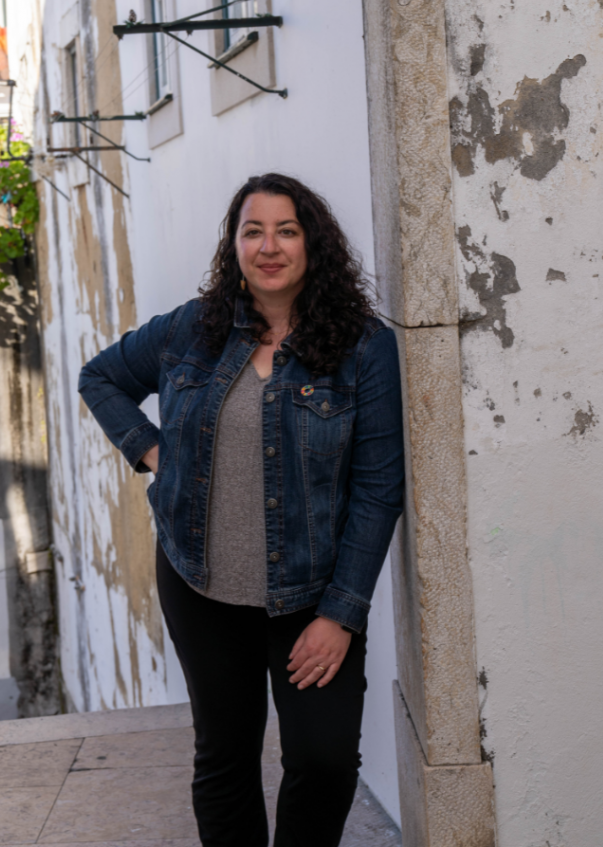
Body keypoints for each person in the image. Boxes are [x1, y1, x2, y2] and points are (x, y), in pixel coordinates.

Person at [78, 173, 404, 846]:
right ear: (234, 245)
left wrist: (340, 615)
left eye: (286, 230)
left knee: (324, 758)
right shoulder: (192, 332)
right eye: (253, 230)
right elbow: (100, 377)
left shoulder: (363, 347)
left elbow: (378, 487)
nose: (270, 246)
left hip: (310, 597)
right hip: (201, 584)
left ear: (313, 243)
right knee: (223, 757)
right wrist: (153, 454)